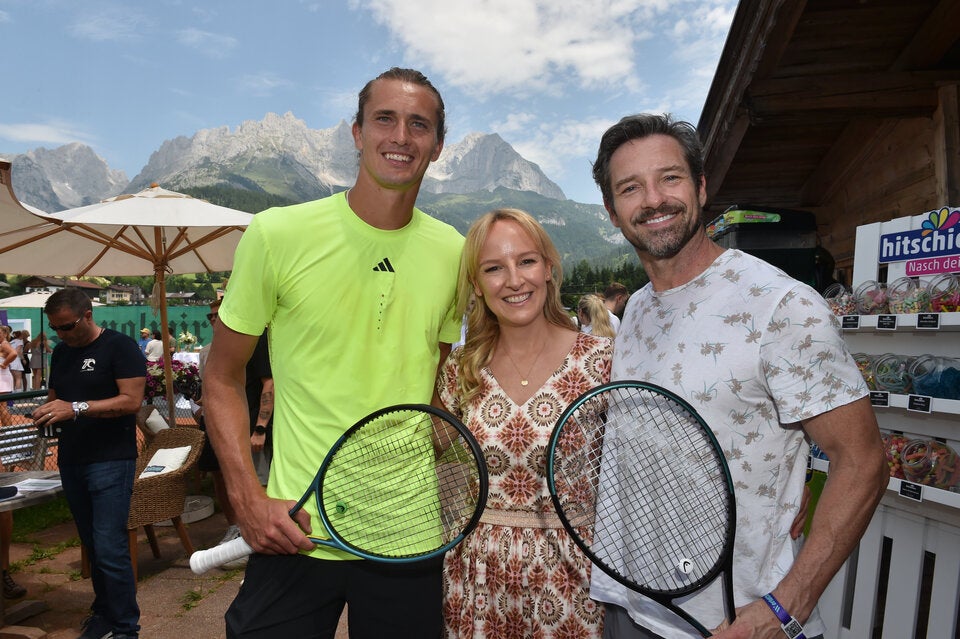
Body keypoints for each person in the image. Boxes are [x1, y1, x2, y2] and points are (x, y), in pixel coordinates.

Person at [589, 113, 887, 639]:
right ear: (614, 212)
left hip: (738, 623)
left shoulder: (780, 304)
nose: (654, 199)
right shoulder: (634, 309)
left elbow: (862, 460)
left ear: (702, 188)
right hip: (632, 610)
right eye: (631, 188)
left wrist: (784, 607)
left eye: (670, 178)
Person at [203, 67, 463, 638]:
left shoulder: (455, 252)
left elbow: (440, 376)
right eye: (385, 119)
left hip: (407, 534)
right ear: (356, 132)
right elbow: (221, 375)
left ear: (438, 146)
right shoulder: (277, 234)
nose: (401, 136)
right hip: (297, 523)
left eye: (419, 124)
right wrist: (247, 498)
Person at [438, 208, 610, 638]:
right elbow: (427, 451)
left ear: (549, 268)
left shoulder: (603, 362)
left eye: (527, 261)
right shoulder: (462, 369)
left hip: (572, 574)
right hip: (478, 576)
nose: (514, 280)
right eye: (494, 268)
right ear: (477, 285)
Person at [35, 287, 145, 639]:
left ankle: (127, 628)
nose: (61, 334)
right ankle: (104, 614)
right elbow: (58, 399)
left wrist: (77, 407)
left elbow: (131, 402)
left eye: (66, 326)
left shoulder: (120, 347)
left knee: (110, 547)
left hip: (111, 459)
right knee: (93, 545)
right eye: (55, 328)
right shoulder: (62, 353)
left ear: (87, 314)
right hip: (72, 459)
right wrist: (47, 412)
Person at [193, 299, 274, 571]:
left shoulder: (257, 340)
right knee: (221, 475)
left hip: (252, 426)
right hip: (219, 427)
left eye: (220, 314)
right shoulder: (209, 350)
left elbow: (269, 385)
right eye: (211, 316)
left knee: (259, 482)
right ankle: (236, 530)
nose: (215, 320)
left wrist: (260, 428)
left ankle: (255, 542)